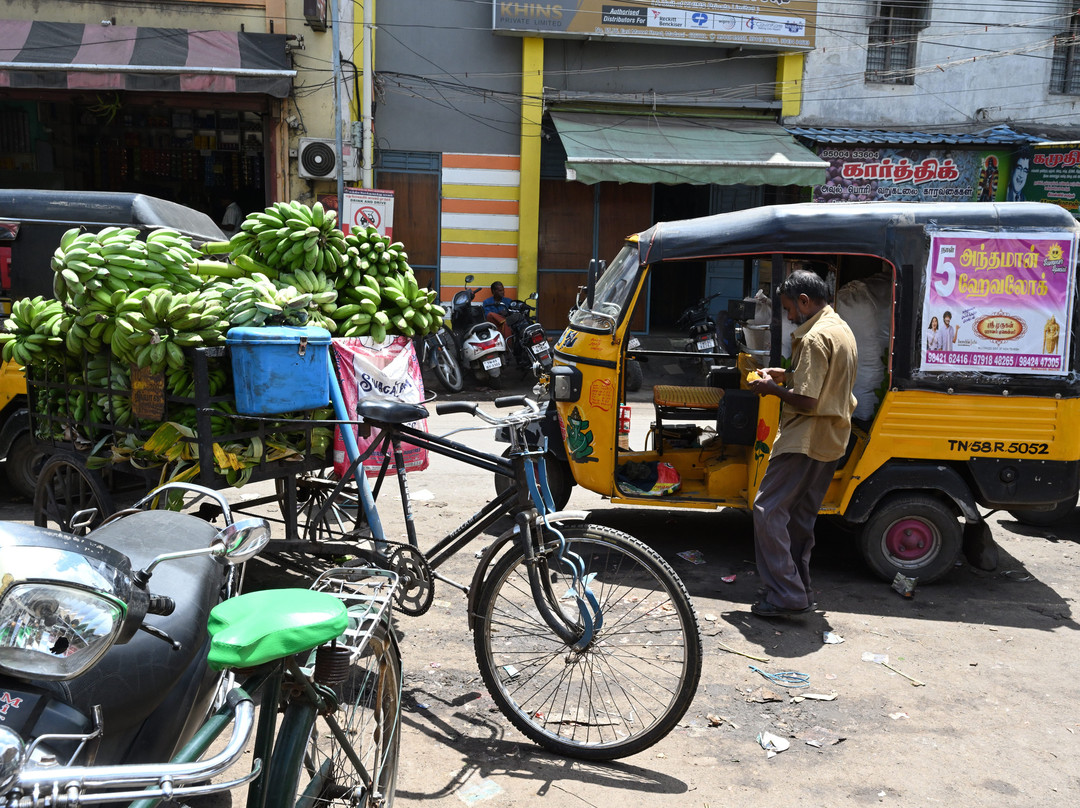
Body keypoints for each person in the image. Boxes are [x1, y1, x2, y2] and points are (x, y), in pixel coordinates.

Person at [746, 270, 858, 618]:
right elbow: (822, 383)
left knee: (767, 510)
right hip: (833, 437)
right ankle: (798, 587)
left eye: (789, 309)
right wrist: (788, 376)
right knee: (799, 518)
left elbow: (808, 400)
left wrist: (771, 389)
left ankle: (786, 595)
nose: (790, 316)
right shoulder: (840, 328)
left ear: (805, 301)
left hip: (806, 437)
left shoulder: (814, 338)